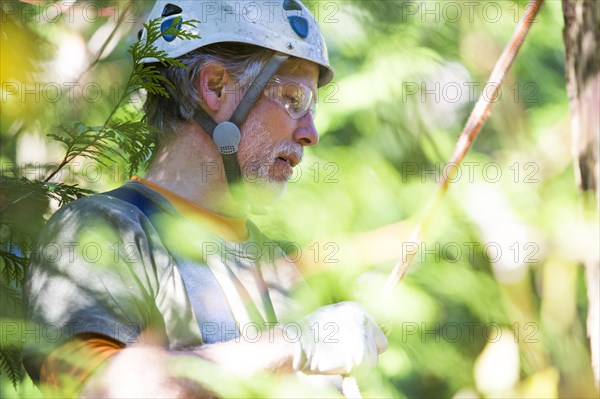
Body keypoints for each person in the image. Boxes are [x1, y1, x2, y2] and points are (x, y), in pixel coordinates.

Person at [23, 0, 387, 396]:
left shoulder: (279, 266)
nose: (310, 132)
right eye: (294, 99)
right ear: (214, 87)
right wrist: (288, 347)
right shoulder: (99, 230)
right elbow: (97, 389)